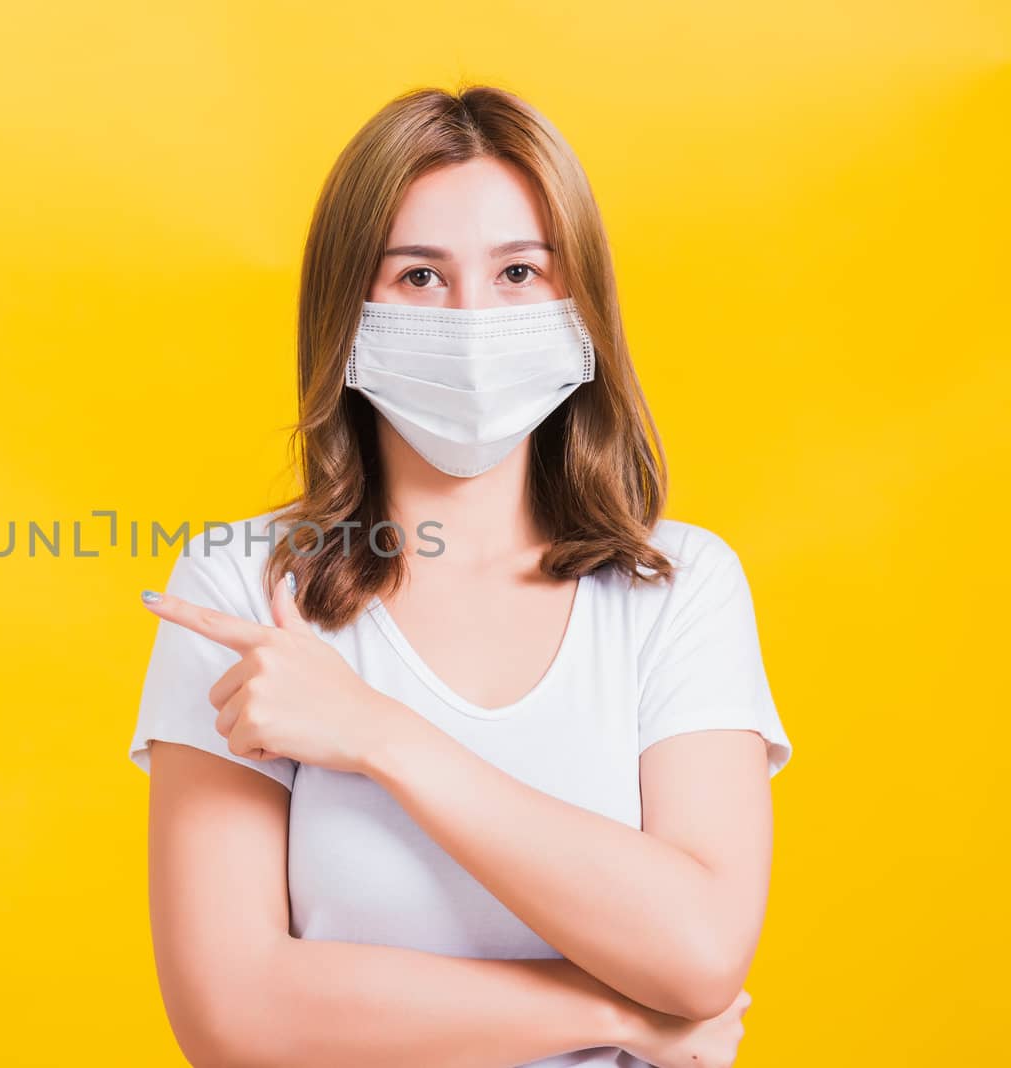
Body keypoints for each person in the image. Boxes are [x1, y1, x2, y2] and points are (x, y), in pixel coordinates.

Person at [127, 84, 793, 1068]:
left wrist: (374, 733)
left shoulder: (677, 583)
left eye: (519, 271)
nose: (473, 318)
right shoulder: (240, 586)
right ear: (348, 309)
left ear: (580, 309)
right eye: (420, 277)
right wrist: (614, 1013)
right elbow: (234, 1017)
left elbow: (697, 952)